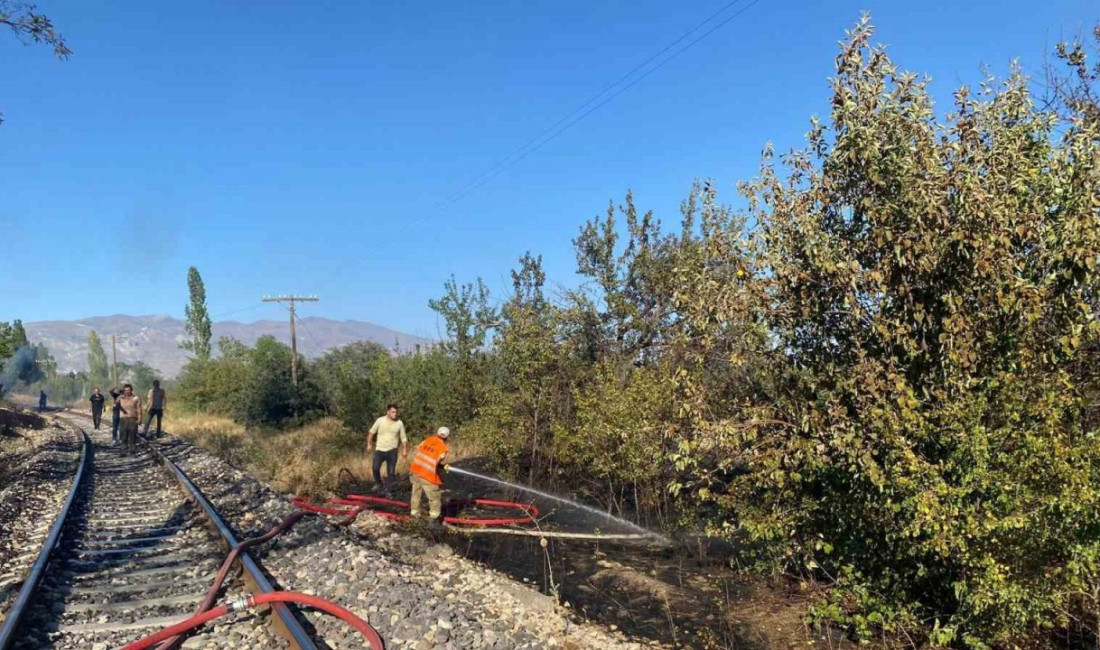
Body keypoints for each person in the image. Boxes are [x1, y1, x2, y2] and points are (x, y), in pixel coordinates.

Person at [409, 426, 451, 523]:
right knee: (434, 496)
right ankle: (434, 518)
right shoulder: (443, 448)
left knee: (416, 493)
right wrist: (442, 466)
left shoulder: (428, 440)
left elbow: (420, 450)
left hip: (415, 470)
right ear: (447, 437)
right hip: (427, 474)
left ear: (437, 433)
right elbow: (438, 461)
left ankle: (414, 514)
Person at [366, 404, 407, 493]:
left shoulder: (399, 423)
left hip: (392, 450)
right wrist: (369, 444)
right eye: (393, 412)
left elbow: (403, 438)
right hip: (380, 449)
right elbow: (371, 432)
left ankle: (389, 489)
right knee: (375, 468)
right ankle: (378, 483)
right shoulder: (380, 421)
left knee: (391, 472)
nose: (395, 414)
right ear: (388, 412)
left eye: (396, 412)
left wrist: (404, 450)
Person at [116, 384, 142, 455]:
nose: (127, 391)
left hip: (133, 418)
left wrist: (140, 418)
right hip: (123, 419)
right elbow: (115, 404)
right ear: (123, 391)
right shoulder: (120, 398)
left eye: (128, 390)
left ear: (131, 390)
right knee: (123, 436)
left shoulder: (136, 398)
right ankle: (123, 451)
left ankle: (132, 450)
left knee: (132, 435)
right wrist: (118, 397)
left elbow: (139, 408)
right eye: (126, 390)